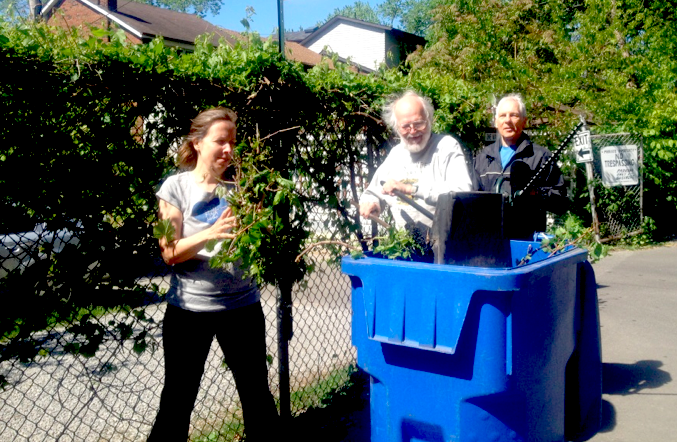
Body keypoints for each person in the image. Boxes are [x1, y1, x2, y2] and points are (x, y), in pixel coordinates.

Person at [149, 107, 278, 442]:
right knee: (177, 400)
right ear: (198, 143)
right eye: (221, 141)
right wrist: (211, 232)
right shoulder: (172, 189)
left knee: (257, 398)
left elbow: (256, 240)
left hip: (243, 309)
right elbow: (169, 252)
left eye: (233, 142)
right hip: (189, 313)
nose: (229, 150)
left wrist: (260, 221)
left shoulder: (242, 187)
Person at [358, 90, 473, 238]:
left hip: (444, 244)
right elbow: (372, 192)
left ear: (429, 120)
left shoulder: (446, 147)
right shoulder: (396, 154)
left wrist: (411, 189)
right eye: (405, 126)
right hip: (405, 245)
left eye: (418, 124)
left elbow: (462, 192)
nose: (413, 131)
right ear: (396, 128)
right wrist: (372, 202)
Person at [474, 93, 568, 239]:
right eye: (503, 116)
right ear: (496, 122)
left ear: (524, 121)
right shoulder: (483, 158)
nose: (507, 121)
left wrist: (535, 193)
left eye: (514, 115)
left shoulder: (540, 156)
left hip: (526, 242)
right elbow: (473, 200)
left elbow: (561, 202)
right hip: (489, 241)